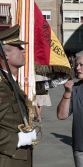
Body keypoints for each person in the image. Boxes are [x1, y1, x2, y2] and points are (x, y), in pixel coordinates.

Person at [0, 25, 36, 167]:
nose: (24, 50)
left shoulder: (10, 81)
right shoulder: (2, 86)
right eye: (19, 47)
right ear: (6, 54)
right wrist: (18, 139)